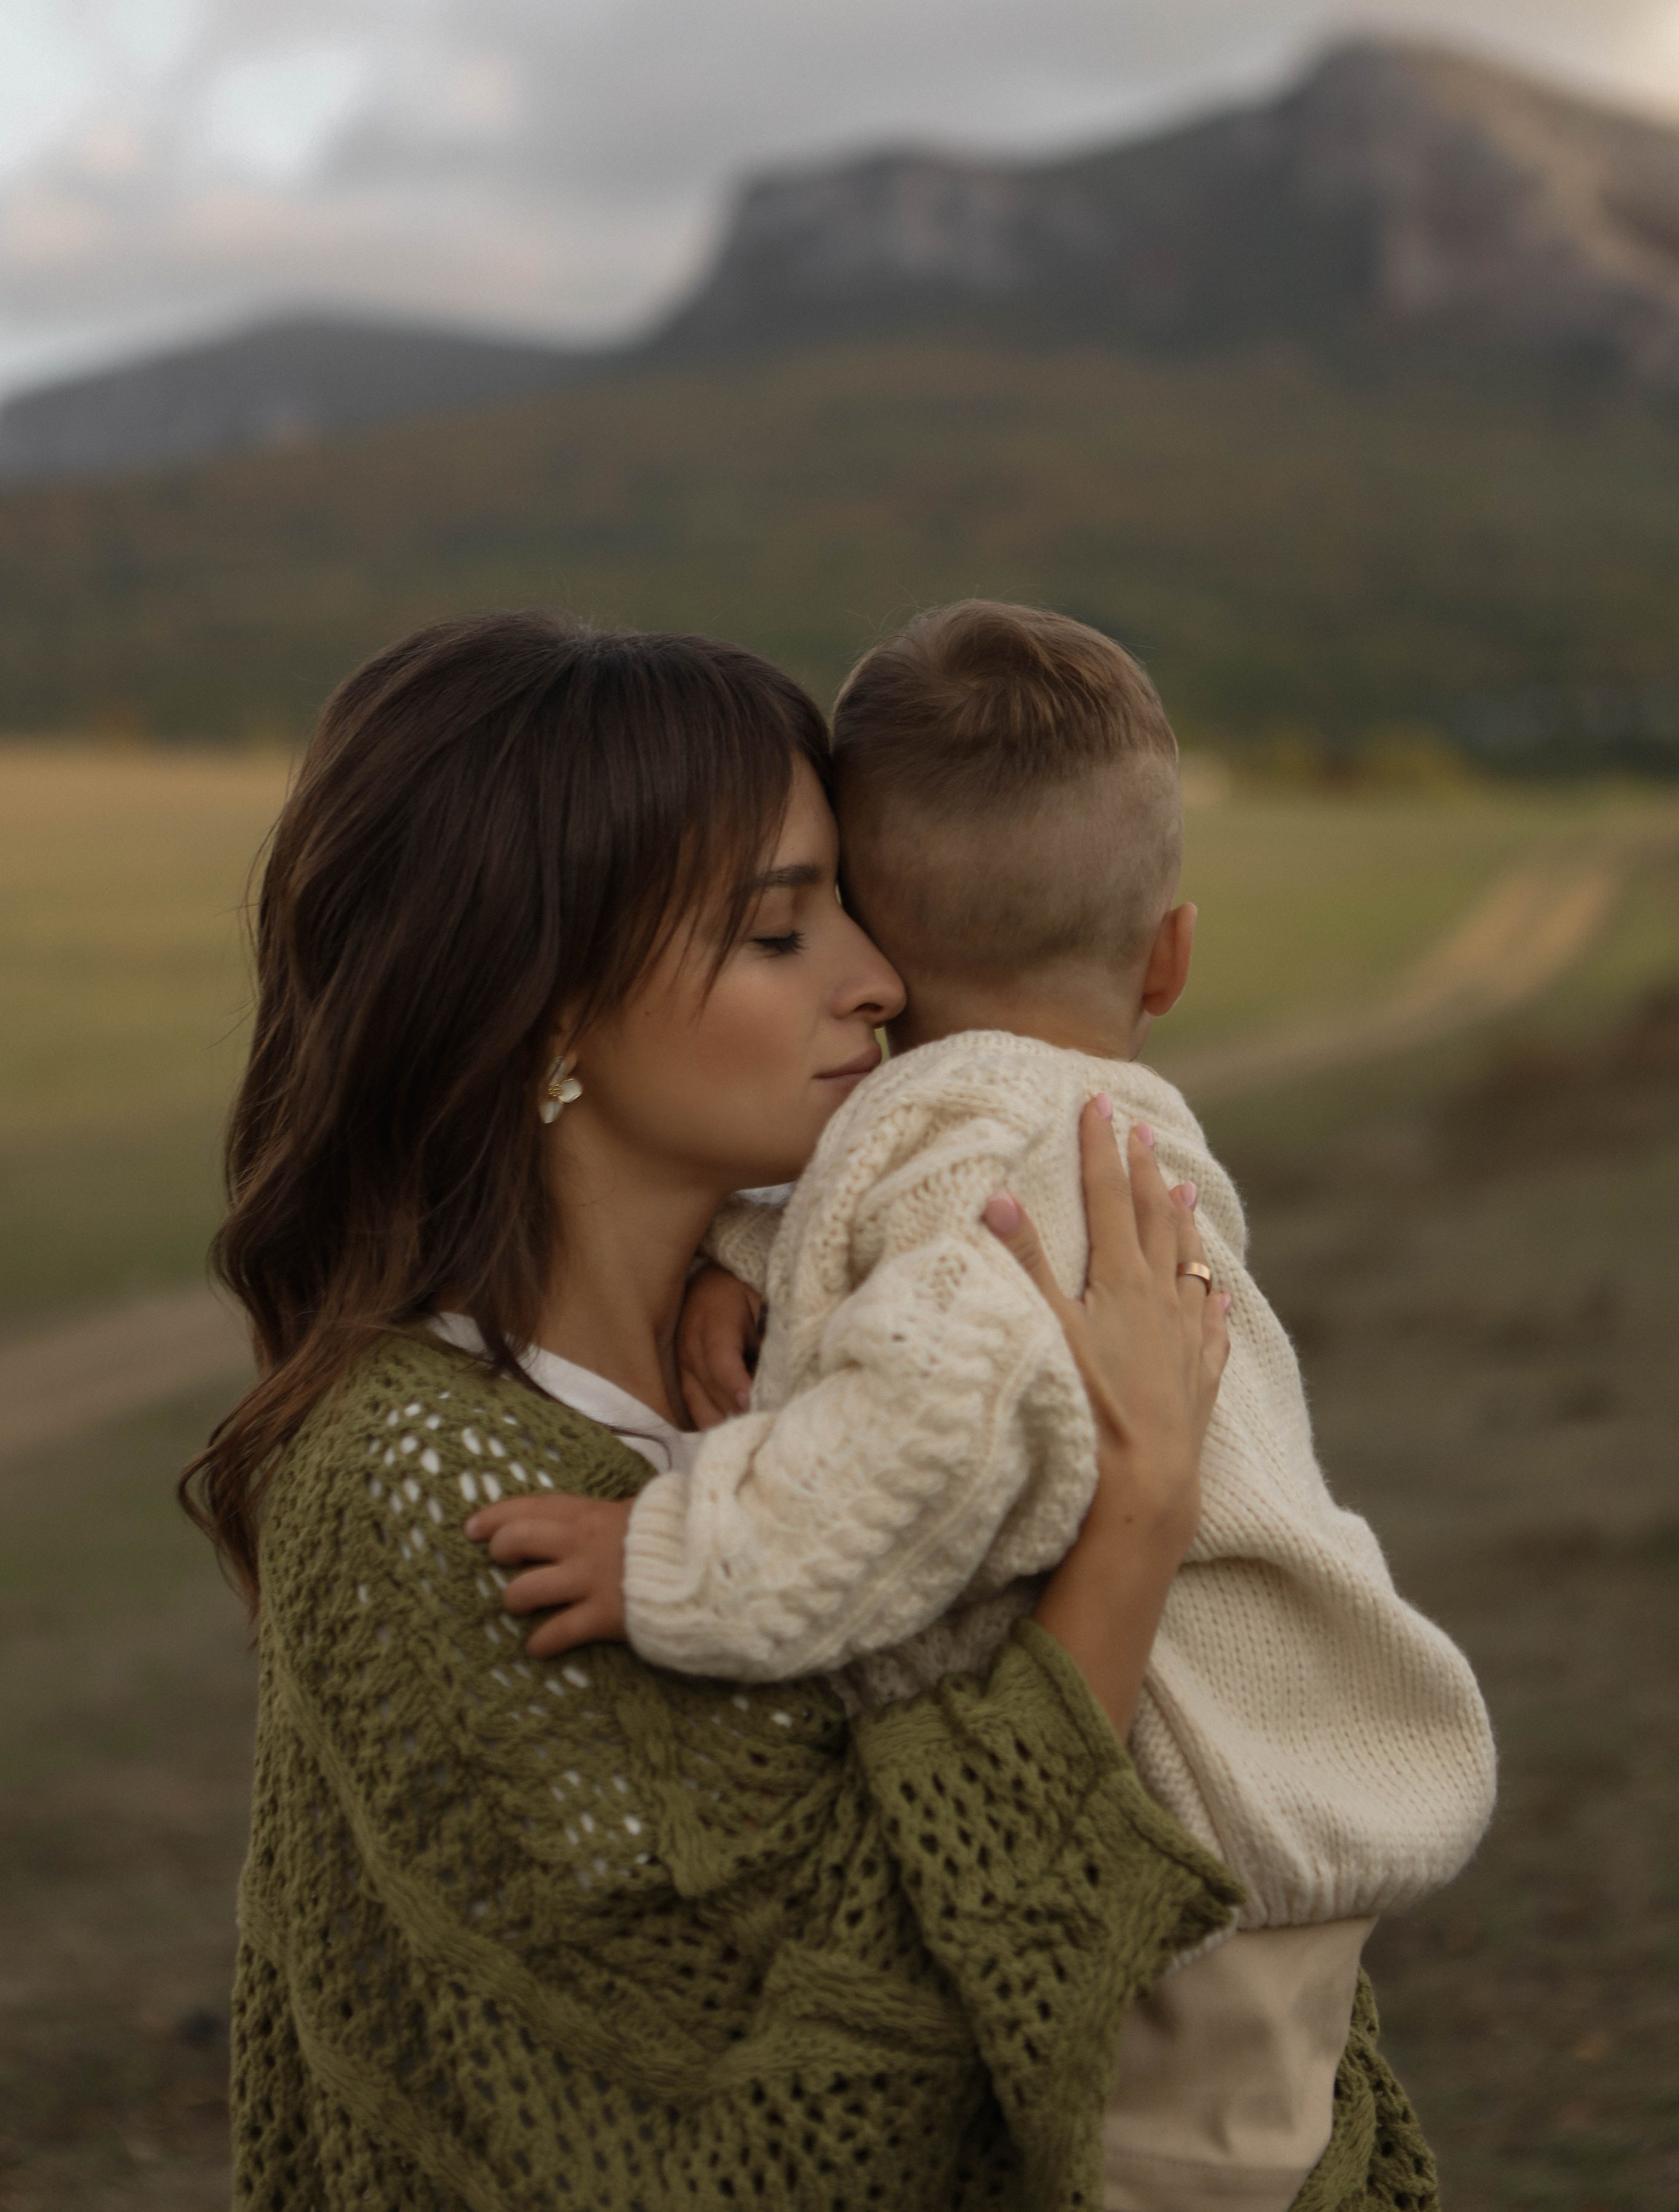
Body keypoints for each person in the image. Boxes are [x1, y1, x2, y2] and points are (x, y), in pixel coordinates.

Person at [182, 609, 1274, 2212]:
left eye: (850, 904)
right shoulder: (409, 1476)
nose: (880, 980)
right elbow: (786, 2130)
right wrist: (1130, 1523)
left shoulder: (845, 1356)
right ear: (545, 1008)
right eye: (780, 935)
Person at [475, 603, 1488, 2212]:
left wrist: (678, 1556)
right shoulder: (1036, 1130)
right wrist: (750, 1254)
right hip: (1230, 1831)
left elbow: (938, 1402)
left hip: (1190, 1853)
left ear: (884, 943)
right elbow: (901, 1253)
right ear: (1169, 954)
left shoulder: (1000, 1161)